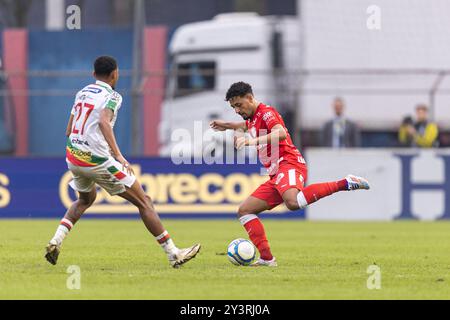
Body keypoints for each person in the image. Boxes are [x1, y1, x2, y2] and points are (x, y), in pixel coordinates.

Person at [45, 56, 200, 268]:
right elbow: (103, 121)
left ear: (93, 75)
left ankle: (55, 241)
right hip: (97, 160)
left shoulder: (82, 92)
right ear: (114, 74)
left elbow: (69, 130)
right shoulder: (114, 96)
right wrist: (118, 155)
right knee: (144, 201)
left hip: (73, 155)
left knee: (85, 200)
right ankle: (174, 253)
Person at [210, 82, 369, 267]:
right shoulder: (252, 119)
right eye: (233, 107)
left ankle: (345, 182)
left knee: (293, 203)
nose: (237, 110)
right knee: (244, 211)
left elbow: (281, 134)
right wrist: (227, 125)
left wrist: (251, 142)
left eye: (239, 105)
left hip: (290, 164)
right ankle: (267, 259)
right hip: (276, 174)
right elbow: (244, 125)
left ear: (250, 98)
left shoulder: (267, 113)